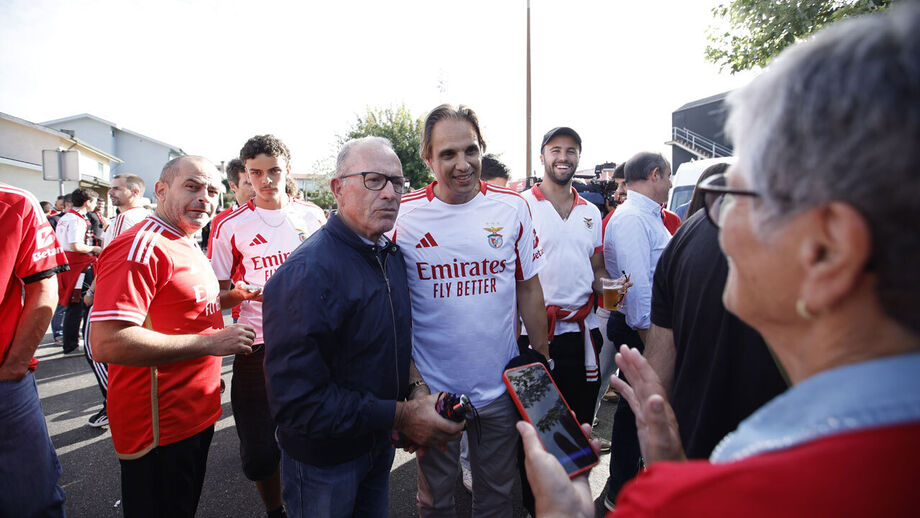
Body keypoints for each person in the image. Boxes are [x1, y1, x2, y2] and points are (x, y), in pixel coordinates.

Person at [520, 5, 920, 516]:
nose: (717, 220)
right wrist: (673, 468)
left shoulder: (752, 486)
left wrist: (571, 510)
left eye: (738, 191)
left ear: (828, 250)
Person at [263, 136, 464, 517]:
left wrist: (416, 392)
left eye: (397, 183)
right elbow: (297, 404)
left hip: (376, 446)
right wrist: (402, 416)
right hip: (325, 462)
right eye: (374, 180)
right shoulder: (306, 275)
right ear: (338, 189)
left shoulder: (388, 253)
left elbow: (388, 340)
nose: (390, 193)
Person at [392, 104, 549, 517]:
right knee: (436, 501)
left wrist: (541, 358)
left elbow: (529, 287)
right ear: (427, 158)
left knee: (498, 497)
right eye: (448, 154)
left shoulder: (512, 207)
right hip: (434, 392)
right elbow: (391, 306)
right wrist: (412, 383)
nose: (463, 164)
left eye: (471, 150)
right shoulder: (403, 215)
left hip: (499, 386)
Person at [89, 156, 256, 518]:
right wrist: (213, 343)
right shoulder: (140, 246)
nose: (204, 198)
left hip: (195, 413)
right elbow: (107, 342)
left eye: (212, 191)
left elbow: (181, 308)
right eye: (192, 187)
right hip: (159, 428)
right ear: (161, 191)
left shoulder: (184, 239)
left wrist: (232, 298)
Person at [209, 135, 325, 518]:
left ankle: (313, 502)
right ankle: (275, 510)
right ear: (245, 174)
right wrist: (244, 294)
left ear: (286, 170)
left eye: (274, 170)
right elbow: (216, 296)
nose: (266, 180)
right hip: (256, 345)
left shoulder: (312, 215)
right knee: (260, 452)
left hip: (311, 343)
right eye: (256, 172)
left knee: (315, 434)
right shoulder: (228, 225)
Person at [521, 127, 607, 424]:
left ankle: (576, 473)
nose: (563, 157)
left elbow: (596, 269)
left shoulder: (591, 213)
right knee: (538, 427)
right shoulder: (521, 206)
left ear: (578, 157)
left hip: (583, 333)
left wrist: (609, 285)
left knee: (579, 424)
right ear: (542, 156)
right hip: (533, 335)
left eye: (571, 151)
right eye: (555, 149)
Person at [601, 151, 673, 506]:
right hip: (640, 333)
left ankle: (629, 488)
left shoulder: (644, 215)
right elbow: (638, 291)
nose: (672, 184)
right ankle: (622, 491)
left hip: (645, 332)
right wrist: (654, 349)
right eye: (669, 176)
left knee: (637, 410)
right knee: (633, 411)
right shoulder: (632, 218)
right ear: (656, 174)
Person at [0, 182, 69, 517]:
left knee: (32, 501)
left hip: (4, 384)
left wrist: (15, 365)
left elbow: (44, 287)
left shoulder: (12, 202)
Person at [55, 187, 102, 353]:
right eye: (94, 202)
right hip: (79, 266)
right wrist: (96, 249)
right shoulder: (77, 220)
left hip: (68, 264)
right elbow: (76, 245)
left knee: (73, 304)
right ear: (87, 202)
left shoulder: (65, 217)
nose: (96, 205)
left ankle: (71, 341)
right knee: (80, 304)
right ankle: (71, 344)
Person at [206, 158, 253, 324]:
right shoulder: (222, 222)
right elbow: (216, 280)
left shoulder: (282, 215)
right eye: (249, 183)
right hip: (244, 313)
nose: (258, 187)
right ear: (233, 186)